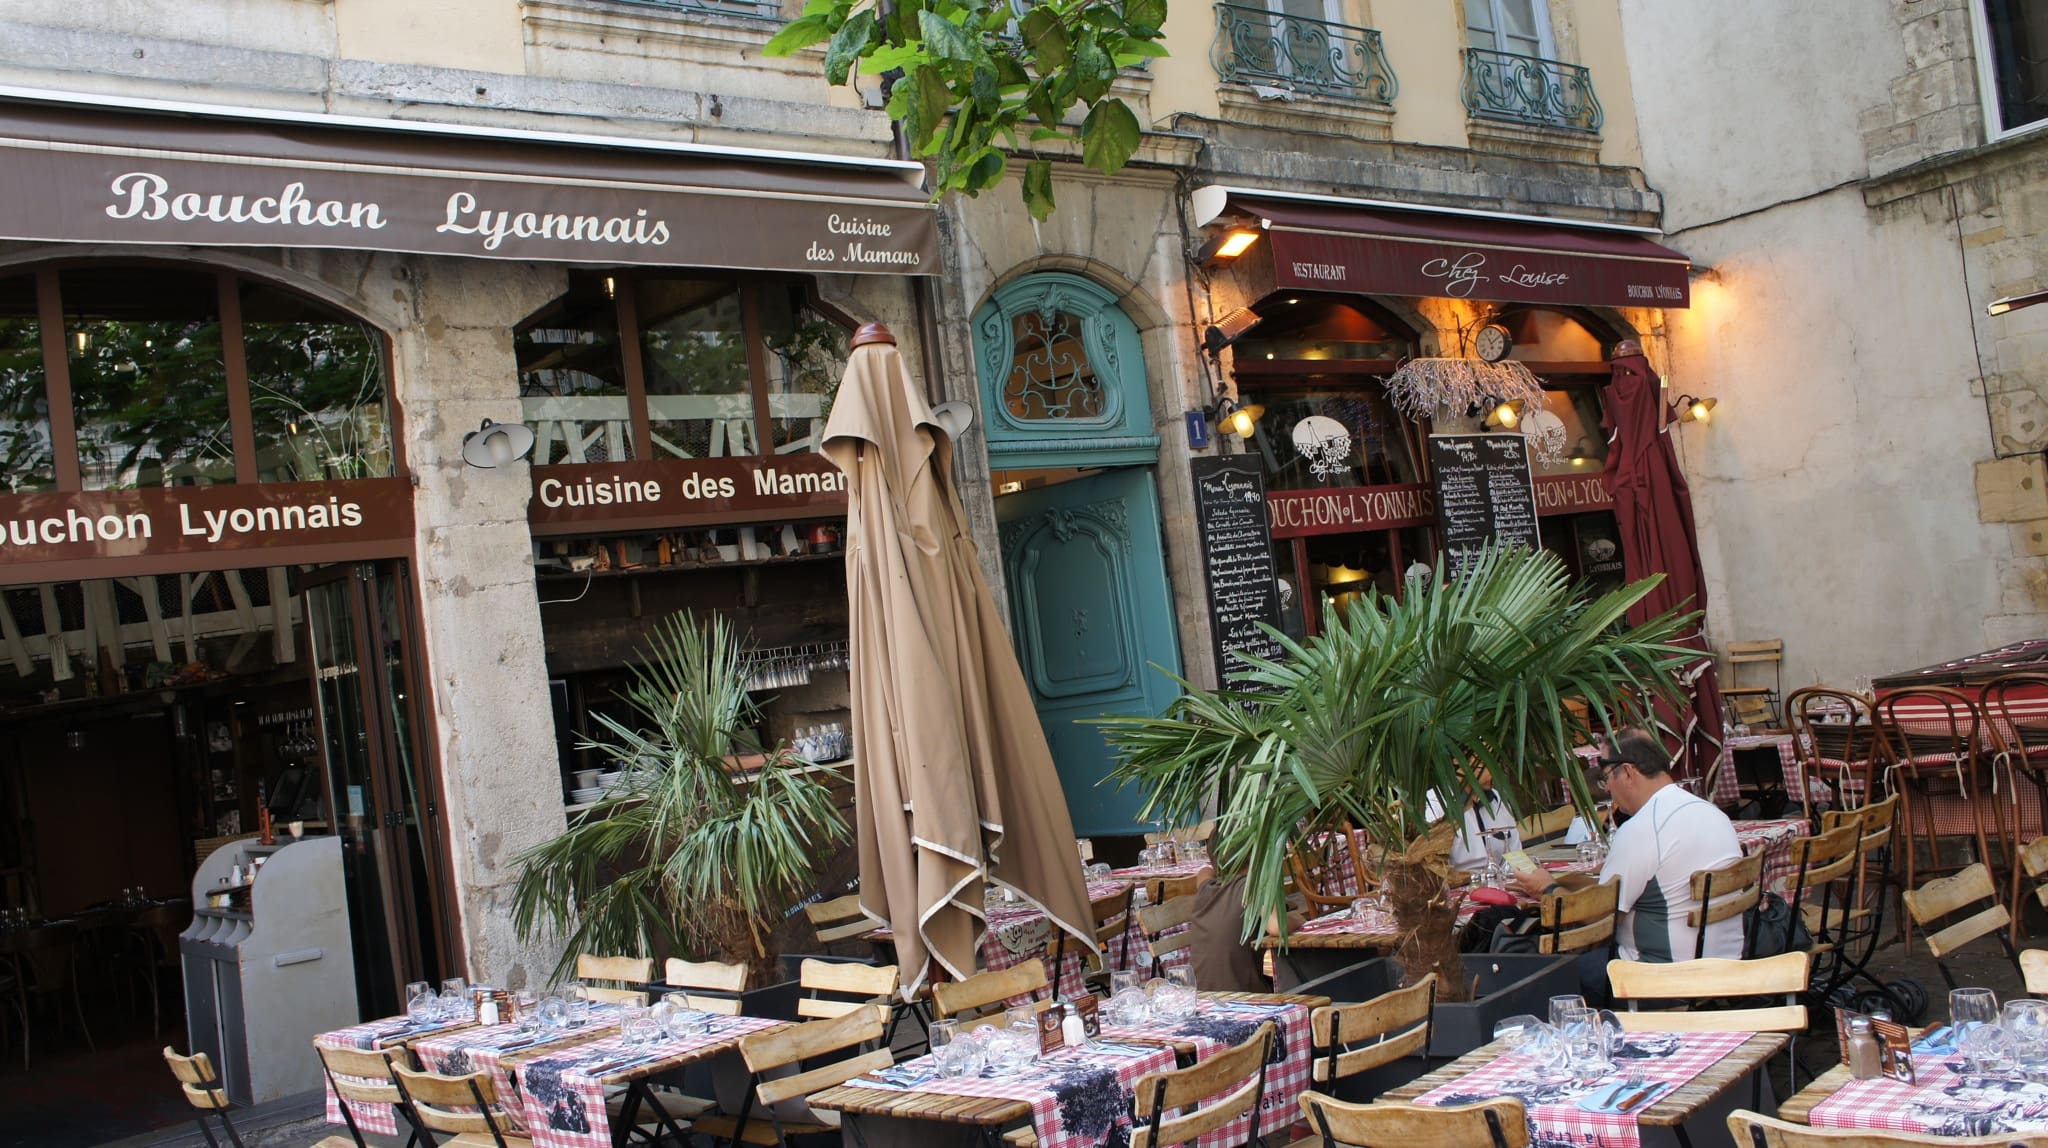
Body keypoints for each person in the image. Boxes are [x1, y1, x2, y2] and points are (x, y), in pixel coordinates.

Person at [1511, 727, 1742, 1000]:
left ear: (1629, 773)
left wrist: (1547, 889)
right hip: (1726, 966)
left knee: (1538, 979)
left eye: (1606, 777)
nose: (1607, 787)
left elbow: (1598, 915)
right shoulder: (1710, 812)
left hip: (1661, 976)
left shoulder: (1644, 827)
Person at [1423, 766, 1521, 872]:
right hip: (1459, 885)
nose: (1494, 770)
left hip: (1501, 883)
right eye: (1484, 763)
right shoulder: (1435, 805)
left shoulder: (1498, 798)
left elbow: (1515, 855)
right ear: (1457, 759)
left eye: (1496, 762)